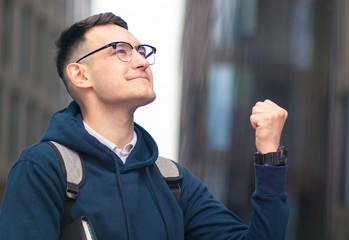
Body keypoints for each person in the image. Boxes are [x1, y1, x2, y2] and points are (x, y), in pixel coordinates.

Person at [0, 12, 289, 240]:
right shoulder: (42, 168)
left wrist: (269, 155)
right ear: (80, 75)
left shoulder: (173, 181)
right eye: (121, 51)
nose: (141, 62)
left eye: (141, 52)